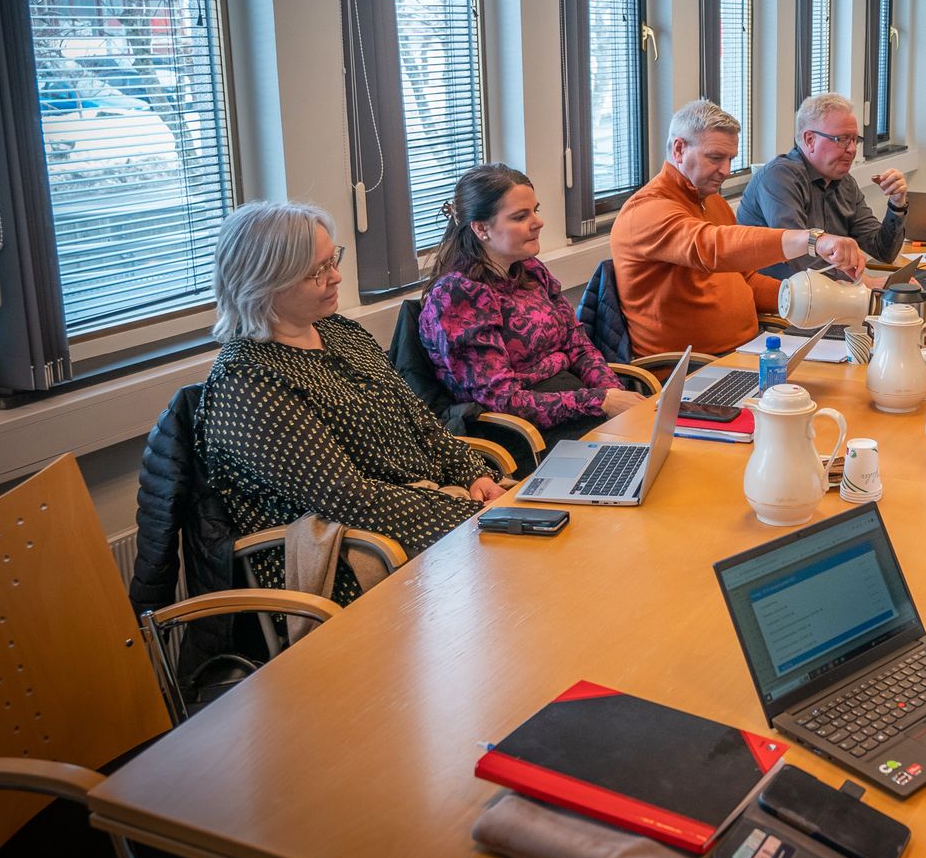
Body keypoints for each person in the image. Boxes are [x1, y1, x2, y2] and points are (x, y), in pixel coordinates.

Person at [198, 201, 503, 604]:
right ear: (264, 282)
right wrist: (468, 520)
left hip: (423, 514)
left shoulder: (341, 332)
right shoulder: (247, 381)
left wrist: (472, 476)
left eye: (332, 260)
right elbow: (348, 497)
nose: (336, 276)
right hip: (354, 554)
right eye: (317, 271)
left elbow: (421, 421)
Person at [612, 100, 865, 358]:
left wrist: (816, 301)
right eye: (715, 158)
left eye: (731, 159)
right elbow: (711, 247)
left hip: (750, 350)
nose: (726, 171)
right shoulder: (646, 210)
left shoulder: (712, 202)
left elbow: (746, 279)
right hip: (690, 368)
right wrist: (812, 240)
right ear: (679, 149)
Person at [418, 164, 646, 450]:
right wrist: (599, 401)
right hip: (525, 433)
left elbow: (578, 345)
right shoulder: (458, 296)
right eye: (520, 216)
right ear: (481, 228)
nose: (538, 222)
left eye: (535, 210)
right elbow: (504, 401)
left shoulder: (529, 270)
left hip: (575, 405)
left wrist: (612, 392)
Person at [737, 93, 907, 277]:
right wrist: (862, 286)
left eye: (854, 140)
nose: (851, 149)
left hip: (826, 296)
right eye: (841, 139)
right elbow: (799, 258)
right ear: (810, 140)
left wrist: (897, 204)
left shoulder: (845, 182)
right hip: (779, 299)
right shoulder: (780, 177)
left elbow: (883, 251)